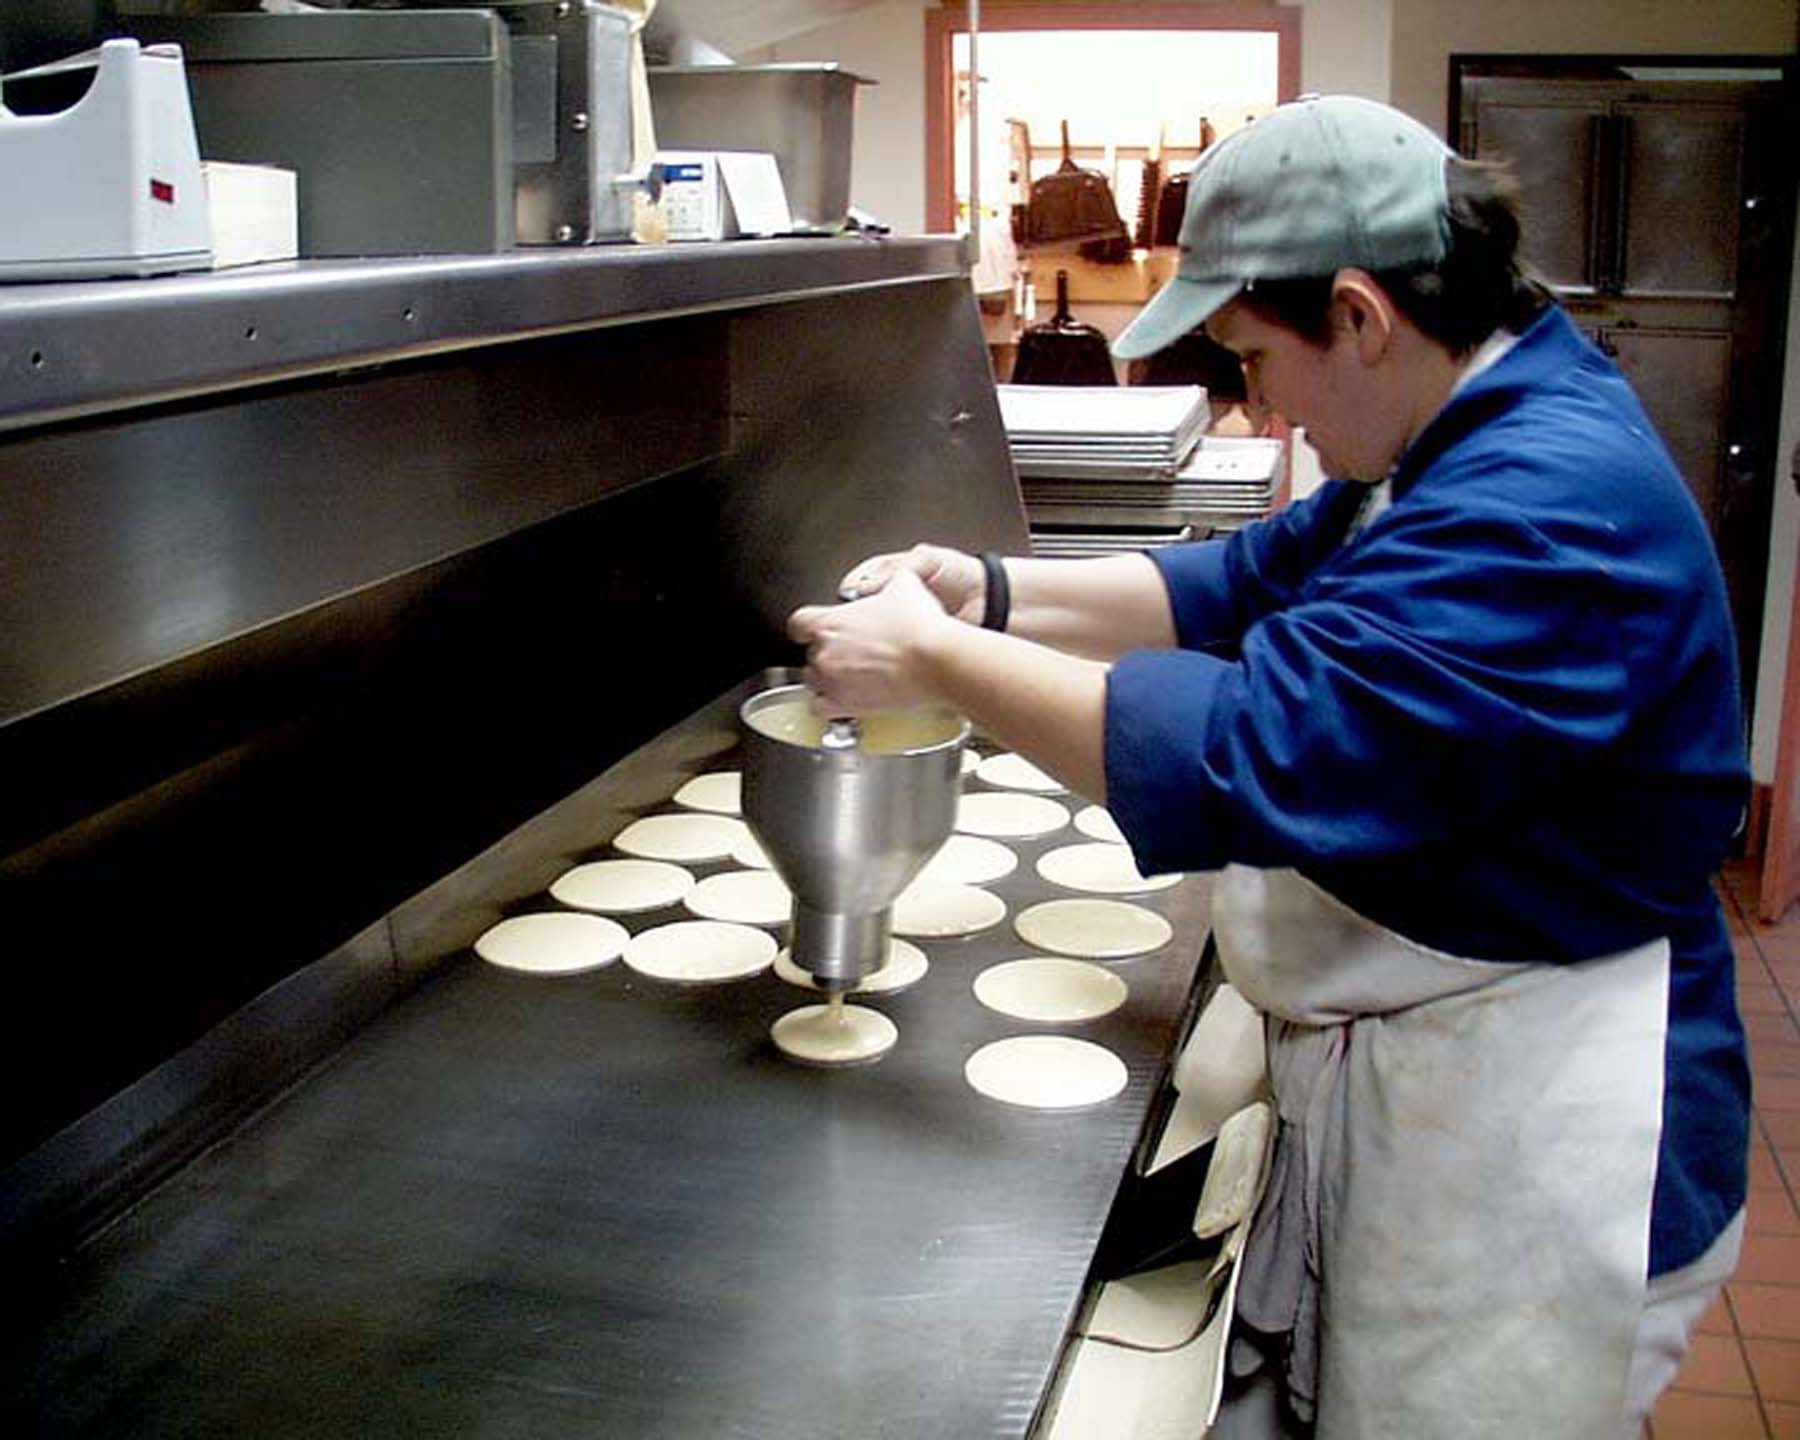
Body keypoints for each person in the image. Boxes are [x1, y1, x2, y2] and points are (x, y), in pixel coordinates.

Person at [788, 95, 1750, 1438]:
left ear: (1356, 316)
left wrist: (940, 667)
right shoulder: (1467, 424)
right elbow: (1243, 579)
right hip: (1464, 1060)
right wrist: (990, 593)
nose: (1255, 399)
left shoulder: (1543, 506)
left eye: (1251, 357)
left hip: (1554, 1140)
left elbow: (1254, 749)